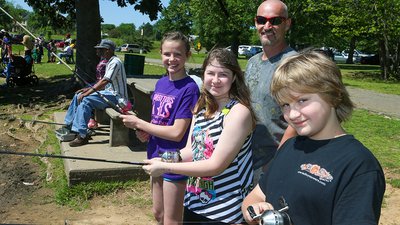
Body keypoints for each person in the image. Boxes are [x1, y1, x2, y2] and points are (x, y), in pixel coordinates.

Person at [241, 50, 386, 225]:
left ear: (332, 95)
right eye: (285, 105)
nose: (292, 114)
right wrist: (254, 210)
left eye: (302, 100)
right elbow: (255, 196)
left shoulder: (358, 165)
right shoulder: (290, 146)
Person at [141, 48, 256, 224]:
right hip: (195, 201)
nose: (215, 80)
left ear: (234, 78)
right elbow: (191, 151)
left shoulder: (238, 112)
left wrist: (166, 168)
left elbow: (215, 165)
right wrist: (165, 159)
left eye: (223, 74)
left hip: (226, 209)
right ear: (203, 75)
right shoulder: (201, 108)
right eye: (210, 73)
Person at [120, 31, 200, 225]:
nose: (172, 59)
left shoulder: (189, 88)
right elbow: (160, 121)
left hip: (174, 158)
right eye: (167, 54)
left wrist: (140, 123)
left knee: (171, 220)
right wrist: (147, 131)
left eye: (178, 54)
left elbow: (176, 132)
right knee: (158, 213)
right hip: (155, 152)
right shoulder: (161, 82)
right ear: (160, 53)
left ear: (187, 56)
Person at [245, 0, 297, 184]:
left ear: (287, 24)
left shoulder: (295, 64)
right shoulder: (252, 62)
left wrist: (277, 162)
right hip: (245, 160)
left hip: (274, 163)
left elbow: (298, 119)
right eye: (261, 20)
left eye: (275, 21)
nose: (267, 26)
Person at [63, 39, 128, 147]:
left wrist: (88, 92)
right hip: (109, 93)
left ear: (108, 50)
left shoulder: (115, 62)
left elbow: (105, 81)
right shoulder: (110, 61)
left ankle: (82, 136)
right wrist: (87, 90)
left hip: (117, 98)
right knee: (78, 95)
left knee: (85, 99)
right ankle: (69, 125)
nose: (98, 51)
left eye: (101, 49)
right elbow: (105, 84)